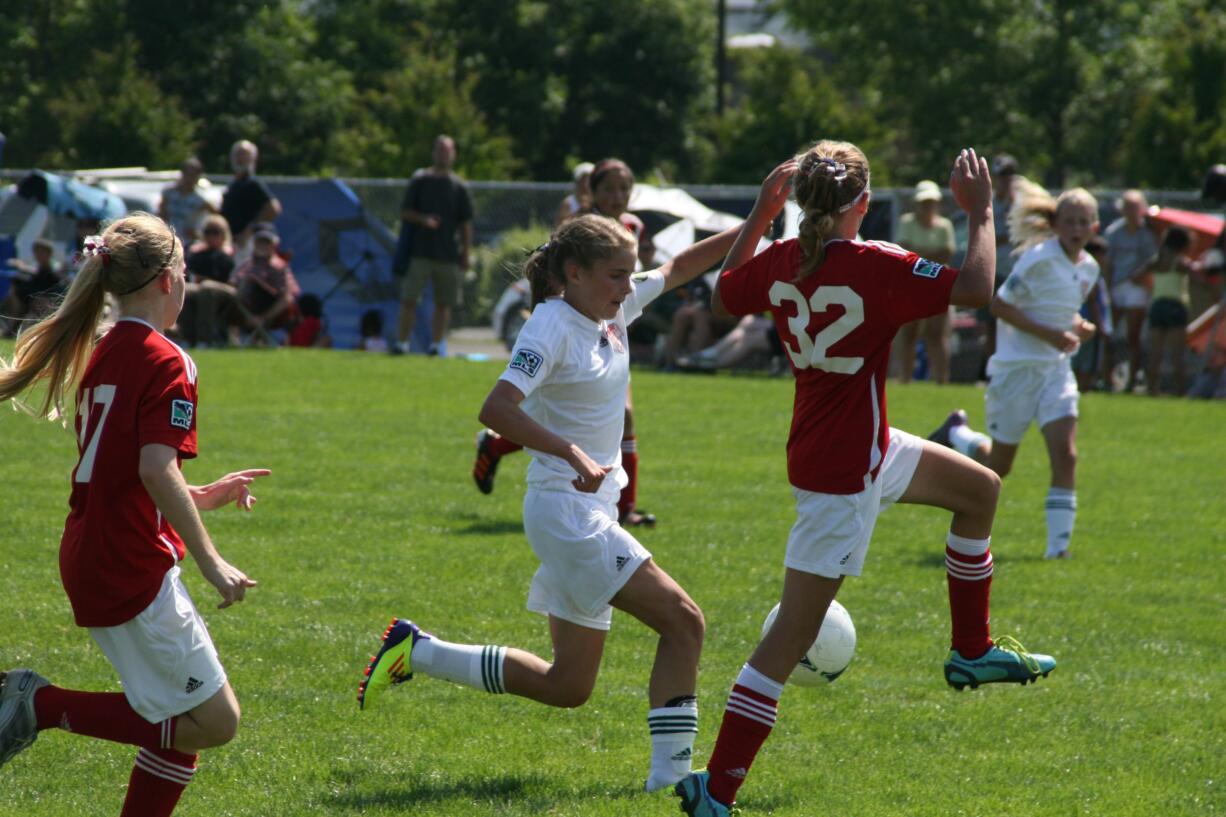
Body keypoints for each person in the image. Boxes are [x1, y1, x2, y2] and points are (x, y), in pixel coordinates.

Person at [358, 180, 782, 792]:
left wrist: (759, 219)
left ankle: (414, 651)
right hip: (566, 513)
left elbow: (683, 265)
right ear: (574, 274)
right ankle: (671, 783)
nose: (626, 286)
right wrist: (568, 449)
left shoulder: (612, 306)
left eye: (628, 275)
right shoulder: (550, 326)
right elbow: (496, 408)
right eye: (615, 276)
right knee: (685, 622)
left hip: (589, 513)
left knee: (568, 687)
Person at [673, 144, 1056, 817]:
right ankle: (717, 789)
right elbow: (974, 288)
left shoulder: (786, 257)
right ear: (864, 203)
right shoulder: (873, 263)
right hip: (842, 474)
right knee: (790, 635)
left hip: (858, 447)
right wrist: (982, 211)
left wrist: (761, 214)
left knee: (979, 492)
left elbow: (723, 294)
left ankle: (971, 649)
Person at [0, 213, 266, 816]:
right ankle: (38, 705)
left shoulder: (103, 349)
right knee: (214, 720)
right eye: (187, 272)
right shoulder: (168, 358)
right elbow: (153, 468)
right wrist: (214, 561)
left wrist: (200, 496)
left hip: (97, 548)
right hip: (128, 562)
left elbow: (127, 471)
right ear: (169, 280)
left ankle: (39, 706)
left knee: (180, 720)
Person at [473, 158, 658, 527]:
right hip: (581, 333)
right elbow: (557, 264)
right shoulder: (579, 227)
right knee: (583, 414)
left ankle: (624, 508)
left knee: (620, 417)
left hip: (608, 333)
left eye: (625, 188)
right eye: (609, 188)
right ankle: (496, 444)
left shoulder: (632, 227)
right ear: (593, 191)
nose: (618, 196)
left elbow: (661, 267)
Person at [929, 179, 1101, 561]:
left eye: (1083, 221)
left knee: (1066, 455)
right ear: (1056, 225)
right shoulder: (1038, 258)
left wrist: (1077, 327)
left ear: (1095, 227)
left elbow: (1059, 308)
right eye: (1069, 220)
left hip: (1055, 372)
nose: (1076, 229)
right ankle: (959, 435)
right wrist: (1051, 333)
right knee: (998, 467)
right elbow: (999, 306)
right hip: (1015, 371)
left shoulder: (1090, 269)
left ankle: (1058, 552)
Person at [394, 135, 474, 356]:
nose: (443, 154)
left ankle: (436, 346)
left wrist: (466, 253)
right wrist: (424, 220)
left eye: (447, 150)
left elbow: (465, 224)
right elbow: (405, 212)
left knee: (443, 303)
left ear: (454, 155)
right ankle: (402, 344)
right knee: (409, 299)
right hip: (419, 252)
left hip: (448, 254)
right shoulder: (420, 180)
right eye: (439, 150)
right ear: (433, 152)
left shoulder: (459, 186)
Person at [895, 180, 957, 383]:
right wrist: (931, 260)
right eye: (924, 202)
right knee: (910, 333)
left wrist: (920, 258)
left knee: (937, 334)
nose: (928, 206)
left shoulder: (944, 226)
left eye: (931, 202)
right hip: (913, 285)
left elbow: (946, 253)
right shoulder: (907, 223)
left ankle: (941, 379)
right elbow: (905, 253)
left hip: (937, 286)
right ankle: (905, 378)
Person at [1102, 190, 1158, 392]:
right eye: (1127, 207)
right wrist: (1106, 288)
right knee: (1107, 333)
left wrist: (1142, 277)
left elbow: (1153, 261)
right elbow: (1108, 263)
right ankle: (1105, 378)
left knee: (1133, 336)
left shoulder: (1147, 234)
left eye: (1135, 207)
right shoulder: (1114, 232)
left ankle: (1132, 380)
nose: (1131, 212)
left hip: (1137, 288)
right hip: (1117, 285)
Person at [1139, 226, 1193, 395]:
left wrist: (1151, 287)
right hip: (1176, 306)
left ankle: (1152, 388)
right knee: (1177, 353)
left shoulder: (1156, 261)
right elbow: (1200, 276)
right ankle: (1180, 390)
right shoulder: (1181, 262)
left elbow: (1136, 276)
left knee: (1156, 352)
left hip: (1158, 305)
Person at [232, 224, 300, 345]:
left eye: (266, 242)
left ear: (274, 245)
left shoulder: (280, 266)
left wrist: (263, 318)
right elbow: (234, 284)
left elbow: (288, 297)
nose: (263, 246)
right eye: (260, 242)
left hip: (271, 311)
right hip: (244, 308)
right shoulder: (247, 264)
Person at [220, 140, 281, 265]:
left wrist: (249, 231)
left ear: (253, 158)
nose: (240, 158)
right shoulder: (233, 185)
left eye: (245, 154)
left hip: (246, 243)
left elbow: (273, 208)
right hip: (232, 241)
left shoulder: (253, 183)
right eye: (238, 154)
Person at [179, 215, 237, 347]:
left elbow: (233, 278)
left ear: (224, 234)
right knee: (186, 289)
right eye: (207, 232)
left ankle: (204, 340)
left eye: (216, 232)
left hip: (228, 291)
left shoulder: (231, 253)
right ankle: (187, 339)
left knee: (207, 287)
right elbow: (189, 274)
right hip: (202, 289)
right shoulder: (196, 254)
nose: (211, 236)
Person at [1071, 236, 1112, 391]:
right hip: (1089, 323)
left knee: (1080, 359)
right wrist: (1100, 326)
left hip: (1082, 322)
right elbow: (1092, 301)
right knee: (1086, 362)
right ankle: (1082, 389)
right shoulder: (1090, 271)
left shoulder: (1088, 272)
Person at [2, 238, 67, 335]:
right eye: (37, 252)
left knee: (19, 299)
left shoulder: (54, 267)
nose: (38, 255)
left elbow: (56, 283)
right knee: (15, 290)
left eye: (41, 252)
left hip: (45, 298)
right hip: (32, 297)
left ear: (48, 253)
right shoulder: (40, 268)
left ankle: (11, 328)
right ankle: (11, 328)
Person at [158, 158, 217, 242]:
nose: (189, 178)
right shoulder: (169, 192)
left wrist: (201, 235)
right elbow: (161, 215)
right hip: (169, 239)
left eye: (193, 175)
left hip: (189, 242)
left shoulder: (201, 199)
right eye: (187, 174)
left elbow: (218, 219)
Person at [554, 161, 594, 227]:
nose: (585, 184)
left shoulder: (600, 202)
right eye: (582, 180)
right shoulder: (568, 203)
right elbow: (559, 226)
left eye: (589, 180)